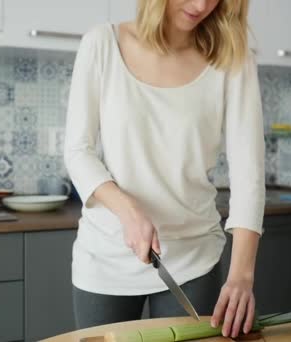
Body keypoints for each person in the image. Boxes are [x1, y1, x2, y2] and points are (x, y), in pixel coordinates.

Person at [63, 0, 265, 339]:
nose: (201, 5)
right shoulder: (102, 44)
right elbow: (78, 151)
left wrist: (241, 276)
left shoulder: (233, 58)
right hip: (106, 256)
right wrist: (128, 210)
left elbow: (249, 173)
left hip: (194, 260)